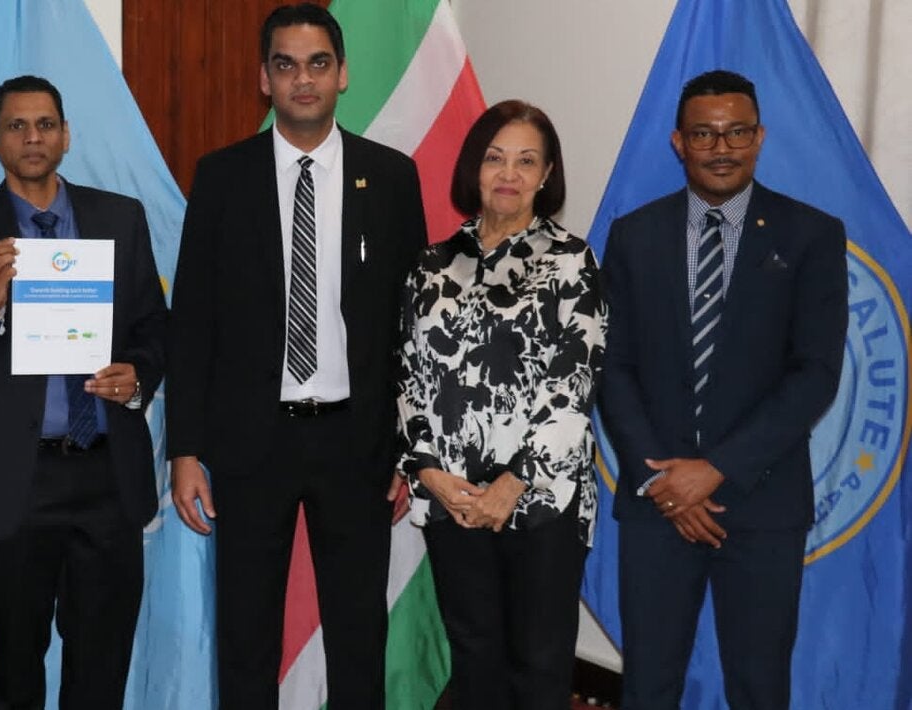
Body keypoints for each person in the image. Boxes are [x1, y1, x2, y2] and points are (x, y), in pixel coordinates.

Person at [166, 4, 428, 706]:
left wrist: (408, 449)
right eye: (286, 64)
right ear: (264, 78)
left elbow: (413, 329)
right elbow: (192, 321)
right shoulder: (221, 177)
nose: (302, 80)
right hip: (253, 442)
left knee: (357, 637)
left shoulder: (392, 178)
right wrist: (185, 449)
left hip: (358, 442)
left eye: (318, 64)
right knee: (247, 637)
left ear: (343, 74)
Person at [601, 69, 848, 709]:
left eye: (737, 132)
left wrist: (715, 470)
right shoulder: (634, 235)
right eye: (704, 134)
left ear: (759, 137)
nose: (721, 147)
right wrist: (664, 483)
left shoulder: (812, 235)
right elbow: (612, 366)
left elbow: (816, 372)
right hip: (657, 508)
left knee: (759, 688)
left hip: (762, 505)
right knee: (648, 685)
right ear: (679, 143)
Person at [0, 75, 166, 710]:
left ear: (66, 136)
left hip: (107, 476)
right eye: (16, 126)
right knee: (14, 666)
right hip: (16, 477)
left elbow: (154, 330)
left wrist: (138, 377)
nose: (33, 138)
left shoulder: (120, 218)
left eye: (45, 125)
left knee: (101, 663)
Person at [396, 100, 606, 710]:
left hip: (542, 504)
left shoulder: (572, 261)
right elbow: (408, 378)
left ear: (546, 175)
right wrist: (428, 472)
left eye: (525, 160)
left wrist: (512, 484)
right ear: (474, 168)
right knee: (474, 662)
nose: (508, 173)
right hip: (452, 499)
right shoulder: (431, 265)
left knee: (537, 669)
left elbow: (574, 387)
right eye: (494, 158)